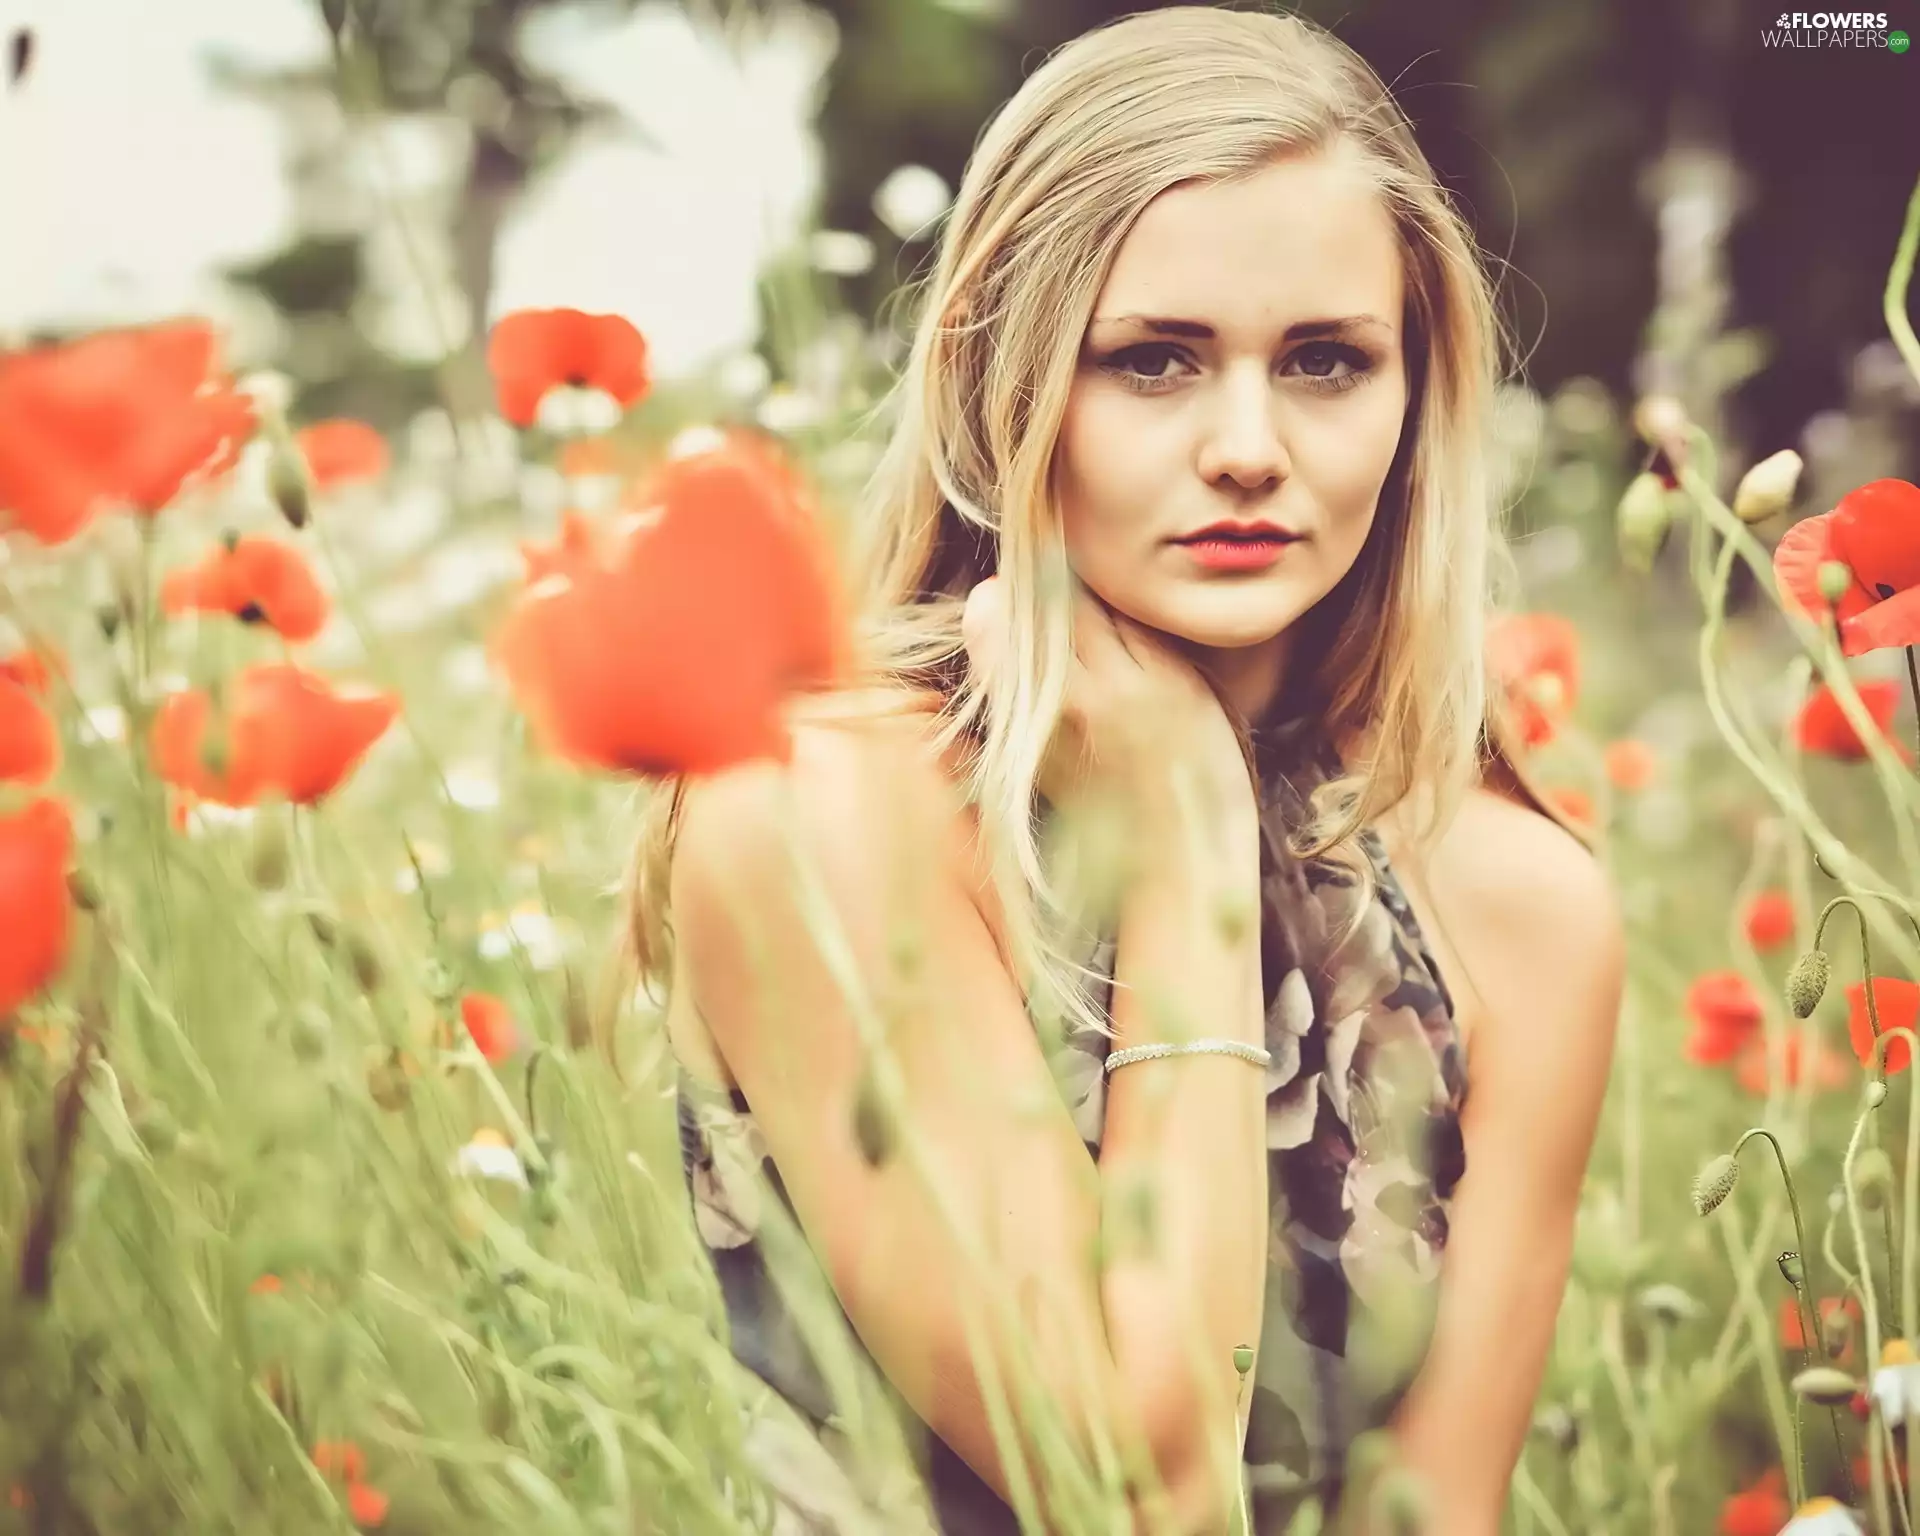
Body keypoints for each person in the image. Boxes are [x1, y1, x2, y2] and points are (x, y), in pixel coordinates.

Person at [626, 7, 1625, 1532]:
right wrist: (1180, 840)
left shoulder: (1518, 906)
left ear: (1415, 400)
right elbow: (1129, 1480)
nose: (1246, 444)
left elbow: (1433, 1514)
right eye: (1153, 361)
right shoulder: (823, 812)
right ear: (1010, 381)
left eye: (1325, 362)